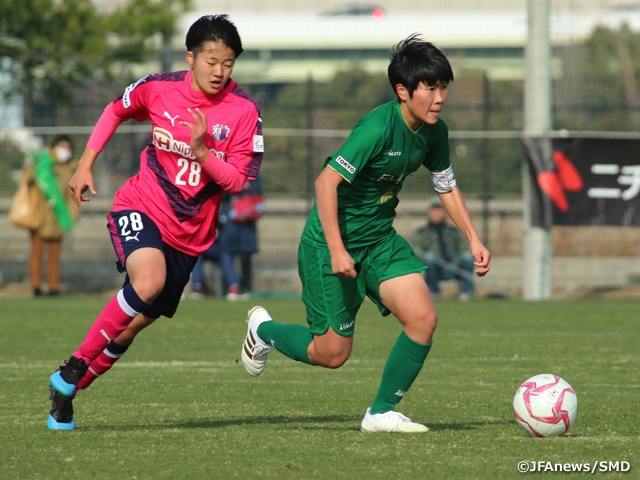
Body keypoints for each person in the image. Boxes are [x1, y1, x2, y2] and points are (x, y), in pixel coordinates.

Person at [241, 34, 490, 433]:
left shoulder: (434, 132)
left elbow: (445, 184)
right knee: (332, 354)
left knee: (423, 319)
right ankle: (262, 330)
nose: (440, 97)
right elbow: (325, 184)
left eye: (444, 86)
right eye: (430, 88)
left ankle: (380, 414)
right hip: (329, 244)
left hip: (378, 241)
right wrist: (338, 250)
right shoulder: (376, 127)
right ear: (403, 91)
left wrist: (473, 238)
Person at [47, 14, 263, 430]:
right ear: (191, 57)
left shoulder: (244, 112)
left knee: (129, 329)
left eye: (229, 63)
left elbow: (236, 181)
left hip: (190, 237)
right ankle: (72, 367)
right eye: (211, 61)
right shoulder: (158, 88)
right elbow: (114, 111)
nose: (219, 71)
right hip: (140, 205)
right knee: (147, 282)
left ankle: (66, 393)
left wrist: (203, 152)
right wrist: (84, 165)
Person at [21, 135, 79, 296]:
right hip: (40, 214)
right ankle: (36, 287)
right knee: (36, 252)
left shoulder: (71, 167)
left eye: (68, 148)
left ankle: (53, 287)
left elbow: (71, 193)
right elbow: (28, 178)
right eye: (62, 147)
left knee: (54, 254)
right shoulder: (42, 162)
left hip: (59, 215)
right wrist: (31, 164)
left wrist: (73, 214)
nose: (65, 152)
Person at [412, 202, 476, 300]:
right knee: (429, 257)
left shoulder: (453, 231)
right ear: (429, 212)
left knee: (467, 256)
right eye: (434, 210)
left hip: (453, 265)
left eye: (439, 210)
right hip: (434, 267)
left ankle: (466, 292)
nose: (437, 213)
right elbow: (417, 251)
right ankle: (435, 292)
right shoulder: (421, 232)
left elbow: (463, 247)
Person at [217, 178, 263, 293]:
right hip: (230, 224)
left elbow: (257, 194)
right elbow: (221, 195)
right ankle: (229, 286)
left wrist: (248, 187)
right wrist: (236, 185)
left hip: (246, 225)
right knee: (227, 256)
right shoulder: (228, 171)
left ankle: (246, 287)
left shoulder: (253, 175)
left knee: (246, 257)